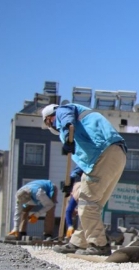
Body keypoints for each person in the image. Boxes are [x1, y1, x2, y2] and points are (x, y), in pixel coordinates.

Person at [42, 103, 127, 256]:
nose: (52, 125)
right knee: (93, 206)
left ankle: (99, 244)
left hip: (103, 153)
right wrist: (72, 179)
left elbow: (65, 116)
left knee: (87, 203)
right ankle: (79, 241)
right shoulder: (80, 123)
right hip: (115, 154)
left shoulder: (63, 110)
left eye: (49, 122)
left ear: (50, 117)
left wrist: (68, 134)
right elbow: (84, 162)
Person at [63, 166, 83, 238]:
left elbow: (68, 211)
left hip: (77, 176)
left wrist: (70, 226)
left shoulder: (76, 195)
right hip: (77, 177)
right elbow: (69, 211)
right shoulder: (76, 195)